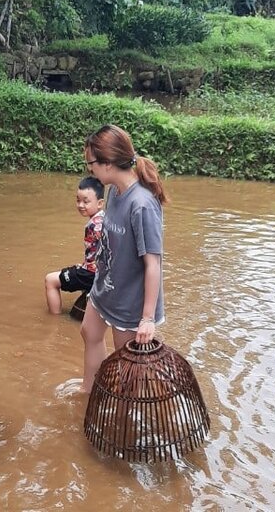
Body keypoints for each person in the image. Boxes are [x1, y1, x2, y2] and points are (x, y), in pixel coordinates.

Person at [80, 125, 168, 393]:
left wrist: (147, 319)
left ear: (107, 164)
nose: (90, 170)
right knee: (89, 332)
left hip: (131, 303)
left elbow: (153, 264)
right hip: (106, 288)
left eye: (91, 163)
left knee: (127, 365)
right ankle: (90, 392)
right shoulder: (113, 192)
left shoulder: (141, 204)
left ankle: (127, 413)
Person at [44, 176, 105, 315]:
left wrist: (87, 267)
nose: (80, 205)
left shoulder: (95, 225)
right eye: (78, 200)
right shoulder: (103, 219)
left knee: (51, 280)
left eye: (86, 201)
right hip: (100, 272)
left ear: (100, 203)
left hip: (92, 274)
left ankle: (54, 322)